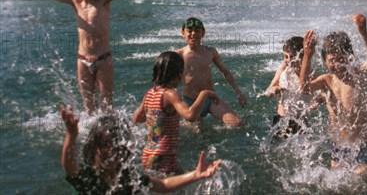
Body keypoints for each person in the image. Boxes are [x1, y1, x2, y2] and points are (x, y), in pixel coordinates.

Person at [6, 0, 160, 114]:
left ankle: (109, 134)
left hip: (103, 59)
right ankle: (90, 136)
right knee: (89, 109)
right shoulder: (75, 1)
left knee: (107, 104)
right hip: (82, 60)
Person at [61, 106, 221, 194]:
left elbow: (164, 185)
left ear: (124, 151)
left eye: (116, 146)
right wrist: (71, 135)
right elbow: (69, 166)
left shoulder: (127, 177)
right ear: (93, 147)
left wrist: (195, 175)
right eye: (104, 145)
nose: (110, 151)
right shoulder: (89, 179)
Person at [299, 14, 367, 175]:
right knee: (337, 182)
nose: (337, 64)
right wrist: (307, 57)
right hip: (338, 145)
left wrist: (364, 34)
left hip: (361, 144)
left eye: (342, 59)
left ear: (350, 57)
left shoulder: (359, 74)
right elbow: (305, 88)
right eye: (332, 60)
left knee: (361, 179)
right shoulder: (326, 80)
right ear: (325, 60)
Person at [133, 51, 220, 174]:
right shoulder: (170, 94)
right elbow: (190, 116)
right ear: (176, 74)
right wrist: (204, 94)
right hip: (164, 154)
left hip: (148, 154)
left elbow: (137, 118)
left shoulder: (150, 93)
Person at [176, 17, 247, 128]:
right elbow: (167, 78)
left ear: (203, 33)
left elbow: (225, 72)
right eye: (189, 30)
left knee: (237, 124)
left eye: (197, 30)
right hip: (190, 102)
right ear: (183, 33)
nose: (193, 33)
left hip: (210, 99)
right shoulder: (179, 55)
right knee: (196, 136)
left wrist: (238, 92)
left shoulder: (210, 52)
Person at [265, 36, 316, 137]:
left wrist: (316, 101)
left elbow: (320, 94)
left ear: (301, 56)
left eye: (291, 56)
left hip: (301, 121)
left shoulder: (310, 75)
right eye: (285, 56)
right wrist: (274, 89)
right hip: (281, 119)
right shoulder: (283, 69)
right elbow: (268, 91)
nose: (288, 60)